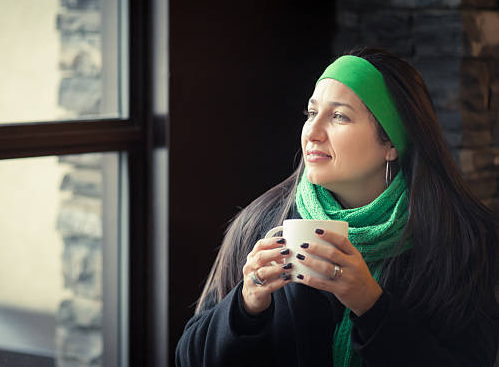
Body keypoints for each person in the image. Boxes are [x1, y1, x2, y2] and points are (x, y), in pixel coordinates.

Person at [175, 47, 499, 367]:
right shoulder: (260, 223)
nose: (311, 133)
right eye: (312, 113)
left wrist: (370, 305)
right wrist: (245, 305)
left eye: (339, 116)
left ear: (390, 143)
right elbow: (188, 356)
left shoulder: (463, 240)